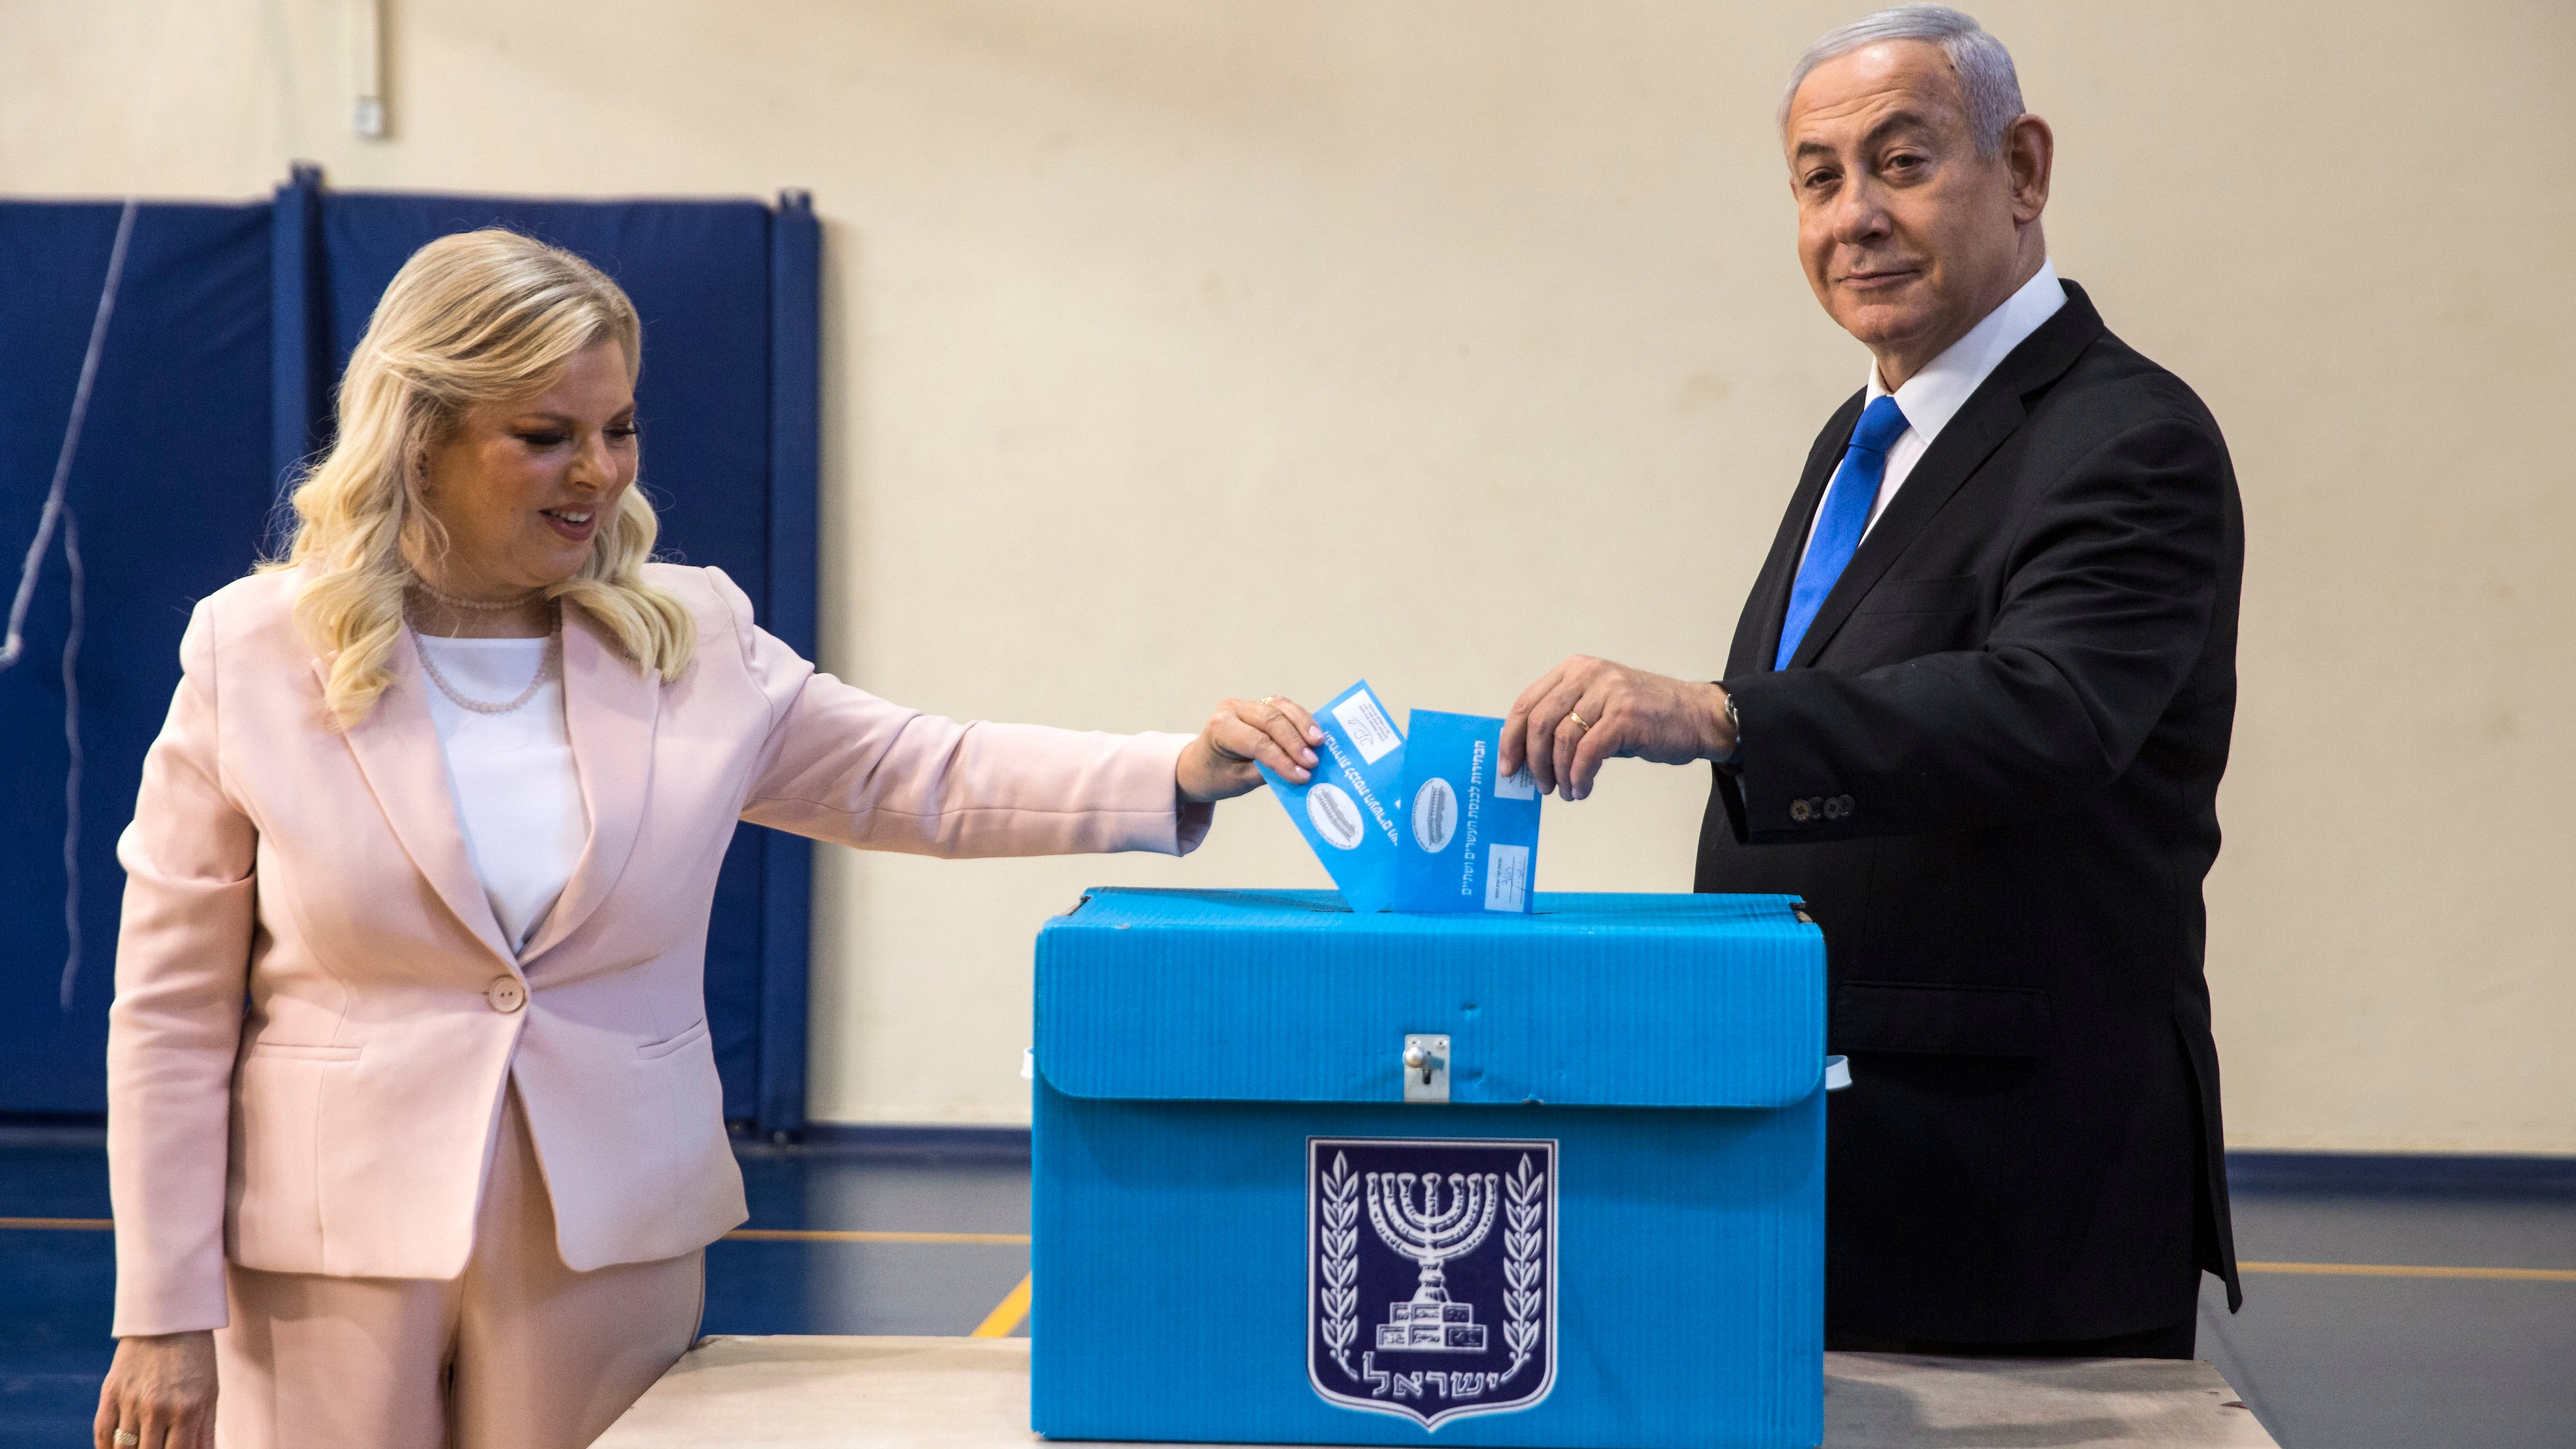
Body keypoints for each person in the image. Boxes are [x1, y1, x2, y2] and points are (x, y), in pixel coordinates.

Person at [93, 228, 1327, 1449]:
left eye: (618, 428)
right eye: (546, 436)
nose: (599, 472)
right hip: (319, 1251)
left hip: (612, 1232)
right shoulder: (247, 649)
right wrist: (160, 1313)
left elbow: (919, 770)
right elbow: (170, 1010)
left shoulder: (690, 635)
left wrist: (1174, 768)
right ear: (420, 436)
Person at [1498, 6, 2242, 1356]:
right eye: (1817, 178)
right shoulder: (1864, 431)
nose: (1855, 215)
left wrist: (1721, 713)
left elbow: (2050, 711)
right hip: (1825, 1140)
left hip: (2010, 1185)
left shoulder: (2128, 438)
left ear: (2023, 171)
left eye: (1902, 162)